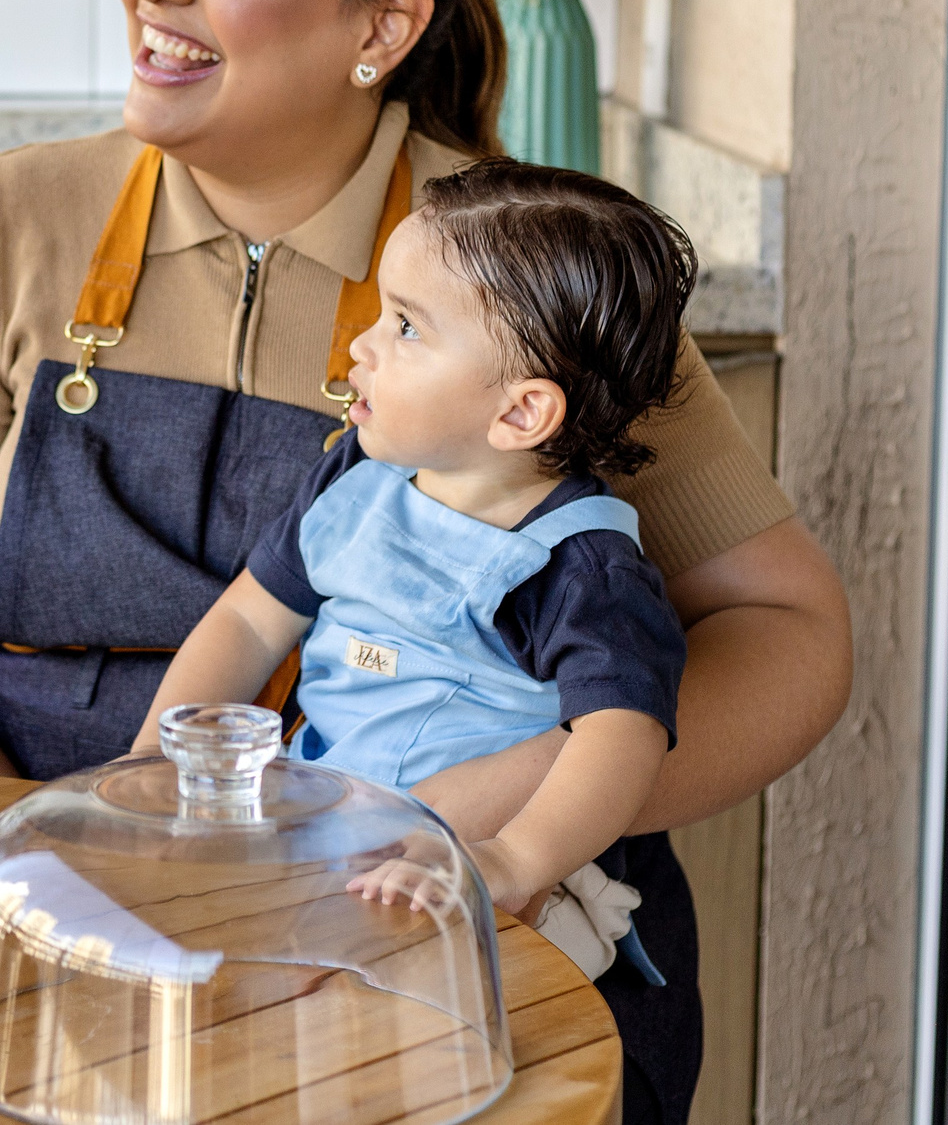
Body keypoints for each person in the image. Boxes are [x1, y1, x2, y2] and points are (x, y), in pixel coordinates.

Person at [0, 0, 852, 1125]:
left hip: (442, 967)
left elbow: (790, 628)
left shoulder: (532, 268)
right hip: (78, 965)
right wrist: (36, 863)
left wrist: (500, 816)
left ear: (386, 23)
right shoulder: (16, 219)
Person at [133, 159, 696, 984]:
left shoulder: (581, 568)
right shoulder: (354, 480)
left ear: (520, 411)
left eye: (404, 327)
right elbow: (248, 620)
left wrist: (509, 861)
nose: (361, 344)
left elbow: (621, 735)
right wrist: (151, 765)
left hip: (452, 895)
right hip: (318, 848)